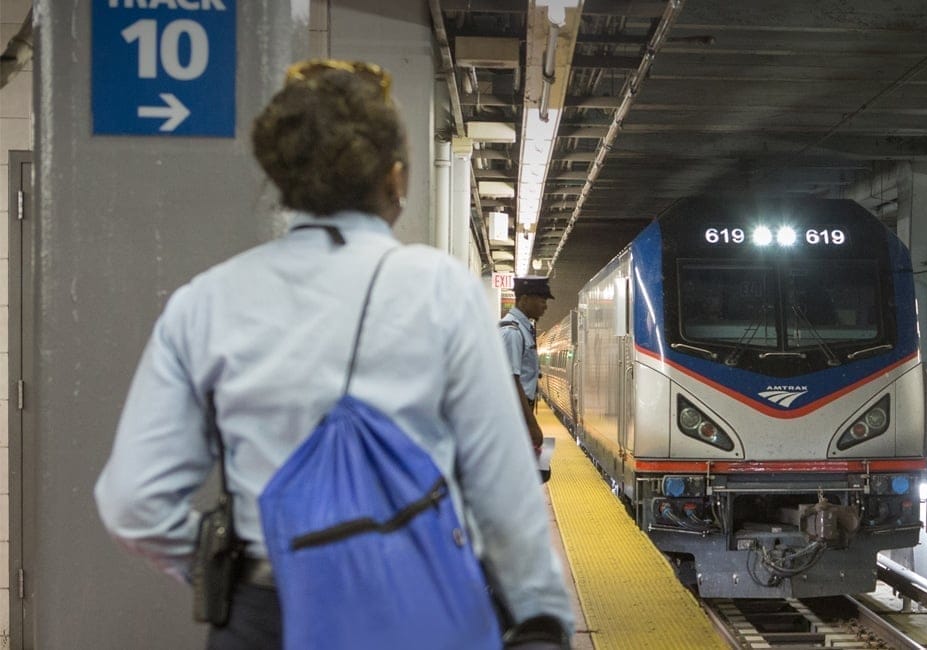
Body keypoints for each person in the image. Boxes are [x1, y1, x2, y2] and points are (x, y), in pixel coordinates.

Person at [93, 59, 572, 649]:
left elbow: (133, 503)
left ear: (283, 182)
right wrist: (541, 618)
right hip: (418, 607)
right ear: (395, 179)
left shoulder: (205, 303)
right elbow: (503, 492)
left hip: (266, 618)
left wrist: (232, 576)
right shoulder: (441, 291)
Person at [500, 277, 554, 453]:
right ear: (524, 300)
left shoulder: (522, 329)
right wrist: (532, 425)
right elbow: (511, 382)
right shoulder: (512, 332)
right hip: (513, 416)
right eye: (541, 300)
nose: (545, 306)